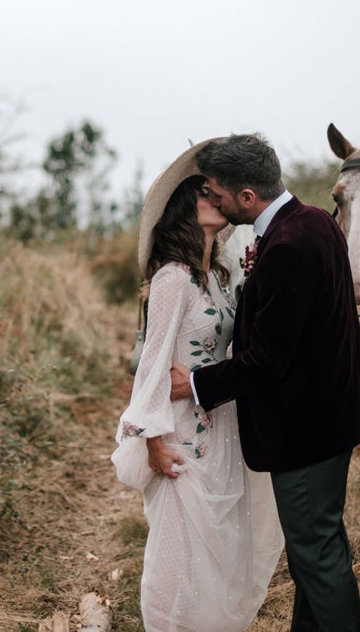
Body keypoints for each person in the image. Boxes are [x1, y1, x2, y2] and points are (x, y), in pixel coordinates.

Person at [169, 133, 360, 631]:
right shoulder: (316, 222)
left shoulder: (285, 246)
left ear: (247, 197)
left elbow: (268, 359)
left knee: (319, 557)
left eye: (218, 194)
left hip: (307, 431)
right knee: (316, 552)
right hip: (334, 414)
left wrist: (196, 385)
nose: (214, 202)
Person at [111, 139, 283, 632]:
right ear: (187, 209)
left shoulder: (216, 278)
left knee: (221, 552)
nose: (218, 197)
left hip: (222, 429)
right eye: (206, 193)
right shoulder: (173, 279)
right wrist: (154, 443)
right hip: (180, 435)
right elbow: (151, 365)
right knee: (176, 554)